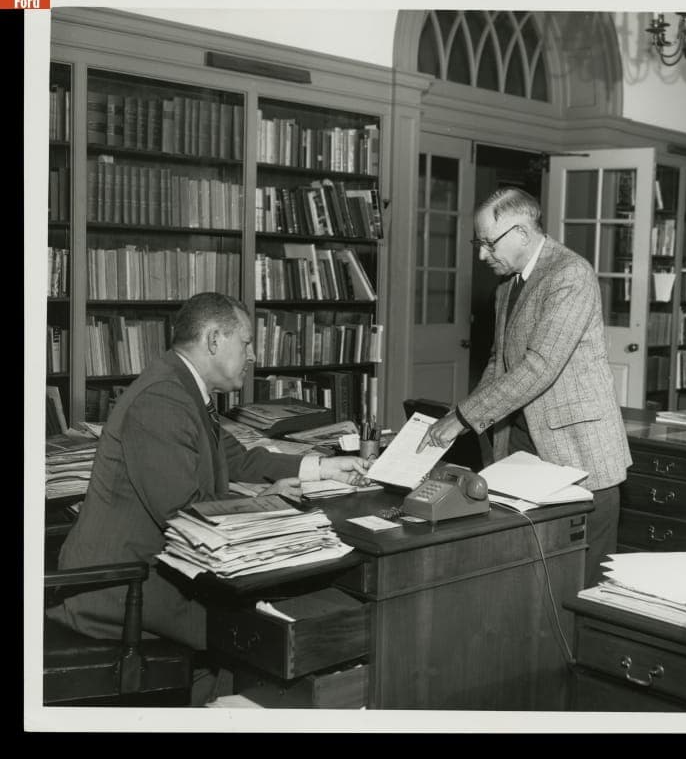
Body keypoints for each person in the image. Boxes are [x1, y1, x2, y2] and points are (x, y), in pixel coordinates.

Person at [47, 292, 371, 657]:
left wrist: (324, 467)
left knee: (281, 609)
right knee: (261, 629)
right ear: (214, 339)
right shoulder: (162, 400)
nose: (253, 356)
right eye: (246, 343)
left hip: (155, 569)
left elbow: (239, 460)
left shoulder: (181, 386)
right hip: (125, 586)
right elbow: (183, 512)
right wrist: (264, 505)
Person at [417, 188, 632, 586]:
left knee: (584, 582)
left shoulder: (570, 274)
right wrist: (460, 414)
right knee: (531, 577)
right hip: (522, 448)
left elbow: (540, 365)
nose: (482, 255)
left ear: (520, 232)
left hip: (578, 451)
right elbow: (499, 363)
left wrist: (463, 417)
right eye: (479, 244)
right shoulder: (507, 286)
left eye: (488, 243)